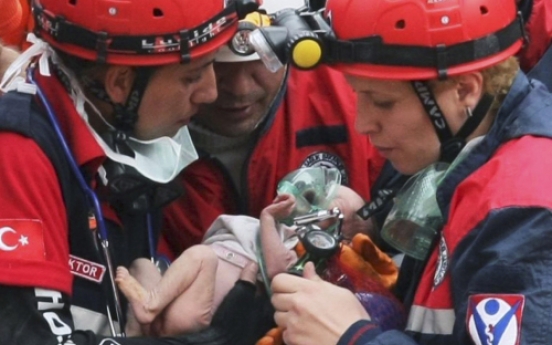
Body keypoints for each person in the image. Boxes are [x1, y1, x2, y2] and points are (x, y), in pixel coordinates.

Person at [268, 0, 552, 344]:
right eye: (357, 95)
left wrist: (354, 337)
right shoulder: (461, 155)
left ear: (464, 89)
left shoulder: (524, 208)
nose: (362, 123)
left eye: (383, 101)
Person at [0, 0, 265, 344]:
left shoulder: (118, 125)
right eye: (193, 76)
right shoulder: (18, 151)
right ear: (120, 83)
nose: (210, 92)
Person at [159, 0, 385, 259]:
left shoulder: (349, 95)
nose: (240, 88)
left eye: (264, 60)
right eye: (215, 64)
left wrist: (374, 224)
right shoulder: (137, 123)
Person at [116, 194, 298, 337]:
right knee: (141, 265)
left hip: (190, 315)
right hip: (168, 303)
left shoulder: (292, 247)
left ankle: (150, 306)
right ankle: (131, 338)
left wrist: (267, 217)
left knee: (203, 256)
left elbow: (276, 270)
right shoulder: (249, 228)